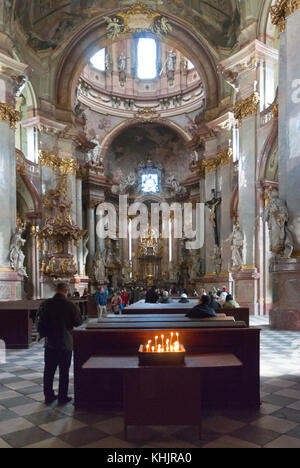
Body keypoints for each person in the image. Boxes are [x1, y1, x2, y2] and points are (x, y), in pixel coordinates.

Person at [37, 282, 82, 406]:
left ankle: (48, 396)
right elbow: (78, 323)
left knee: (49, 371)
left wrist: (45, 334)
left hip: (50, 343)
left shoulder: (46, 304)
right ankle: (62, 397)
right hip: (65, 342)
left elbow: (40, 324)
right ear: (66, 291)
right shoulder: (70, 305)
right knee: (64, 372)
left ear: (56, 290)